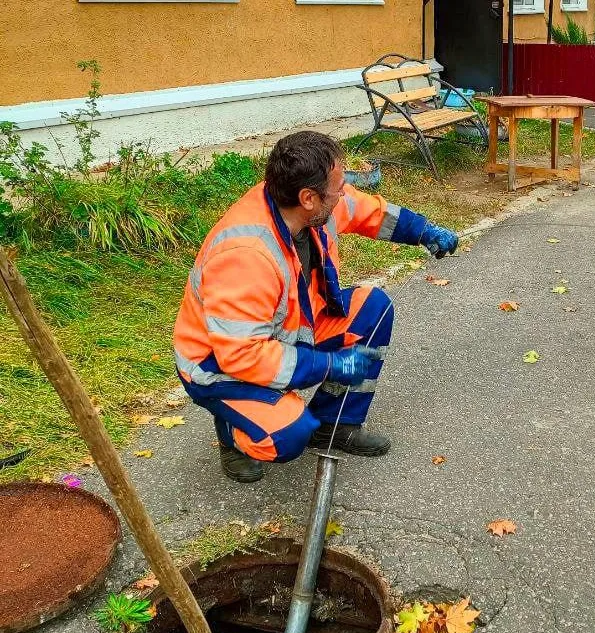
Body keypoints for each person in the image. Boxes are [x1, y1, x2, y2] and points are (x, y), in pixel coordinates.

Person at [173, 131, 458, 482]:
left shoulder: (309, 207)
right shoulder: (246, 255)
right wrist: (329, 364)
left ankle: (335, 425)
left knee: (374, 308)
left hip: (281, 336)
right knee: (289, 435)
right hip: (219, 364)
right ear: (308, 197)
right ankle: (232, 431)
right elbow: (243, 355)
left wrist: (424, 231)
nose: (345, 191)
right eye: (339, 185)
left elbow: (367, 210)